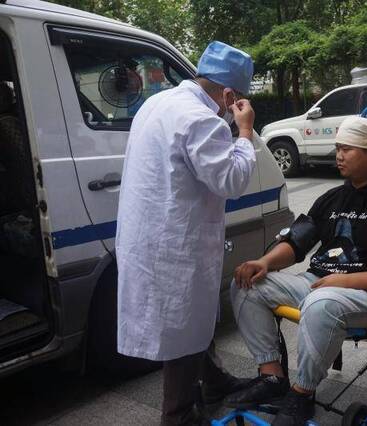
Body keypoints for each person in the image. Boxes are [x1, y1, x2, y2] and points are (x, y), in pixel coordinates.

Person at [224, 116, 367, 426]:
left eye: (347, 149)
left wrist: (345, 281)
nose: (339, 155)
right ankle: (271, 377)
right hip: (318, 284)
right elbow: (297, 241)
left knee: (322, 303)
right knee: (244, 283)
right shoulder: (333, 198)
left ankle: (301, 393)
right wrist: (264, 263)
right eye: (337, 148)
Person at [116, 41, 257, 426]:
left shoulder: (159, 103)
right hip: (175, 243)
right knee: (182, 323)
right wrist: (243, 131)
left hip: (151, 233)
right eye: (238, 99)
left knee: (192, 316)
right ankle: (177, 414)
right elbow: (232, 179)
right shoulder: (202, 119)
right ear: (230, 94)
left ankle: (214, 382)